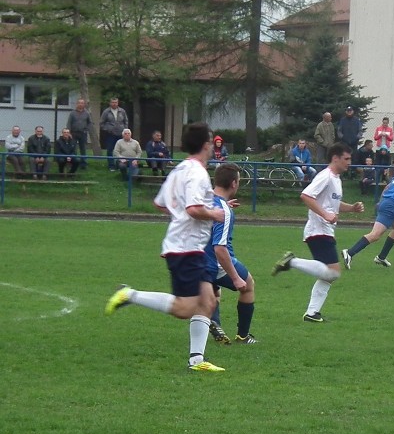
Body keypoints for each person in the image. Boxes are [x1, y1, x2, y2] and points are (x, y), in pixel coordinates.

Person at [105, 122, 227, 373]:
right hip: (186, 247)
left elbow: (160, 203)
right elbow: (193, 209)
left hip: (192, 245)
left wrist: (181, 214)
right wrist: (214, 214)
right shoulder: (196, 173)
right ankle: (130, 295)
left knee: (209, 300)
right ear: (206, 145)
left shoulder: (179, 170)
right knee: (186, 308)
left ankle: (196, 360)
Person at [271, 142, 365, 322]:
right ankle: (292, 262)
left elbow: (333, 205)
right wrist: (325, 215)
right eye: (346, 159)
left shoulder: (336, 179)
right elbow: (306, 195)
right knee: (334, 272)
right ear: (335, 158)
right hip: (319, 229)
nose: (349, 162)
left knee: (328, 275)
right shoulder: (326, 176)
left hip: (325, 229)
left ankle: (312, 313)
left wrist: (351, 208)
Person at [204, 162, 258, 345]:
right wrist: (235, 277)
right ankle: (243, 335)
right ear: (234, 183)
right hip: (216, 262)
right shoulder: (224, 212)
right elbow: (220, 248)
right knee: (248, 284)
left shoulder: (202, 200)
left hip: (196, 260)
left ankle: (215, 322)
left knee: (214, 293)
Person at [99, 97, 129, 171]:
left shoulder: (122, 111)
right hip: (110, 134)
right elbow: (101, 123)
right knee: (110, 150)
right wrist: (108, 129)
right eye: (113, 102)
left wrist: (125, 129)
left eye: (116, 102)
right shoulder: (106, 112)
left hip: (121, 133)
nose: (114, 104)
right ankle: (111, 166)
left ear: (118, 103)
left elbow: (126, 121)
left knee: (121, 150)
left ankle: (120, 165)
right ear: (110, 103)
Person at [66, 98, 93, 168]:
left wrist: (87, 129)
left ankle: (83, 163)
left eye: (82, 103)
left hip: (83, 133)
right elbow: (69, 123)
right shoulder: (72, 113)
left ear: (84, 104)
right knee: (73, 148)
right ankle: (73, 162)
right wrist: (68, 132)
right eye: (79, 103)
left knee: (83, 148)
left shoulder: (87, 113)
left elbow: (90, 123)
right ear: (77, 104)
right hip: (73, 133)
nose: (80, 104)